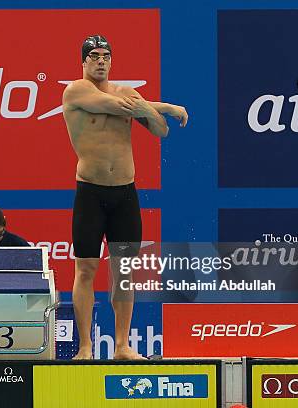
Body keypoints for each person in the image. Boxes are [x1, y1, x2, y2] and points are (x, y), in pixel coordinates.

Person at [62, 35, 188, 360]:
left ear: (111, 60)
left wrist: (152, 112)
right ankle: (86, 347)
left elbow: (161, 132)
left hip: (125, 195)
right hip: (90, 193)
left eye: (105, 55)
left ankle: (121, 346)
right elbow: (120, 107)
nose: (100, 61)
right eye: (94, 56)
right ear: (84, 61)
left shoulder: (128, 93)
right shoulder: (76, 90)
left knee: (125, 271)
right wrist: (168, 108)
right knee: (86, 269)